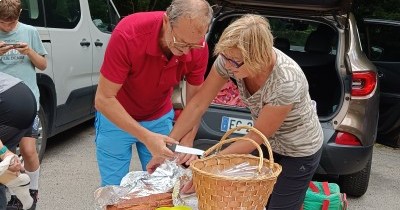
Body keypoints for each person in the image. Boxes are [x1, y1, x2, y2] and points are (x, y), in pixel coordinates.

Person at [147, 14, 324, 210]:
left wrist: (206, 171)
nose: (228, 66)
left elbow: (254, 138)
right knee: (248, 200)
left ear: (259, 57)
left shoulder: (287, 82)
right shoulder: (230, 58)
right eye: (225, 58)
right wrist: (167, 146)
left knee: (280, 206)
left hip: (298, 149)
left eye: (235, 62)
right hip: (267, 143)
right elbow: (198, 104)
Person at [94, 0, 213, 186]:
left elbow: (195, 103)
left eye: (193, 45)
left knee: (163, 184)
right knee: (113, 188)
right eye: (180, 43)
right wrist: (147, 137)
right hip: (116, 117)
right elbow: (103, 99)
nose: (185, 52)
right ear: (166, 21)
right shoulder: (128, 33)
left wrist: (188, 140)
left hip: (159, 117)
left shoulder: (199, 47)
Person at [0, 0, 48, 209]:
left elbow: (43, 65)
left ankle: (32, 192)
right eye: (3, 23)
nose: (8, 27)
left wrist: (29, 52)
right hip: (3, 106)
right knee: (6, 155)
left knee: (28, 150)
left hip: (27, 100)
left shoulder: (29, 31)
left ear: (20, 15)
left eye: (12, 23)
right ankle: (11, 194)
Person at [0, 72, 37, 210]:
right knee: (1, 164)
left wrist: (4, 153)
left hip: (9, 103)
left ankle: (10, 178)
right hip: (22, 94)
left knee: (2, 157)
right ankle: (11, 178)